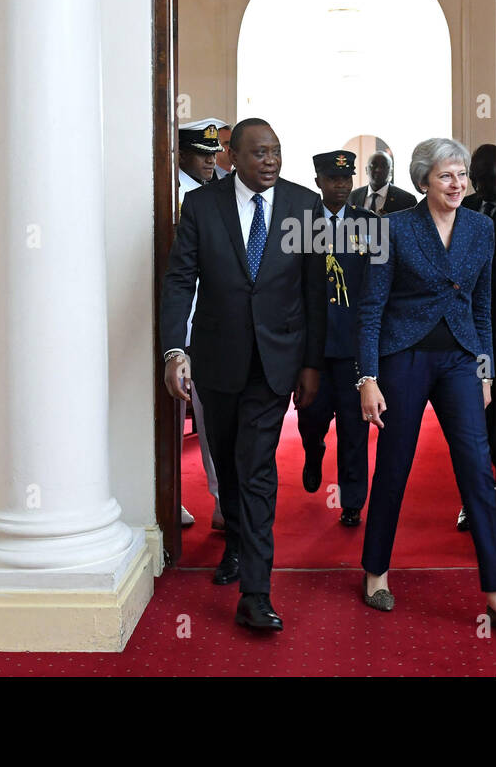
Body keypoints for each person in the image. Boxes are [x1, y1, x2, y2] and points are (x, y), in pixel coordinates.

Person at [356, 137, 496, 631]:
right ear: (423, 182)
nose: (457, 183)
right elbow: (371, 308)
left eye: (461, 174)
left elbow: (482, 308)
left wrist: (485, 371)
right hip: (404, 358)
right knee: (394, 465)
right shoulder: (393, 228)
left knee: (478, 472)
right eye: (446, 175)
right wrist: (367, 378)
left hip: (461, 359)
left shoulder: (481, 229)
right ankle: (376, 572)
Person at [159, 117, 326, 632]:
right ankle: (232, 544)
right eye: (258, 153)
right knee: (228, 464)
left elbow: (315, 292)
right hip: (216, 358)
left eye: (275, 151)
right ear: (232, 155)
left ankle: (256, 591)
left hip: (275, 364)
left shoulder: (304, 205)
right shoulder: (202, 206)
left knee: (256, 468)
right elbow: (181, 279)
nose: (270, 161)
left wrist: (312, 363)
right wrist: (174, 351)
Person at [296, 150, 376, 527]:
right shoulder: (299, 225)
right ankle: (313, 454)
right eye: (333, 179)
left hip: (353, 348)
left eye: (346, 179)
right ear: (319, 182)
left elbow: (381, 288)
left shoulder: (370, 224)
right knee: (310, 420)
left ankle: (352, 500)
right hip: (311, 348)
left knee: (353, 427)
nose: (341, 186)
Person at [176, 119, 227, 531]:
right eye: (202, 154)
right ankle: (165, 498)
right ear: (182, 154)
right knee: (169, 421)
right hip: (178, 321)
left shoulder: (217, 191)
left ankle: (223, 502)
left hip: (210, 323)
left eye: (213, 153)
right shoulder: (172, 193)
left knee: (211, 420)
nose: (210, 161)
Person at [457, 142, 496, 532]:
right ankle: (471, 500)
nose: (481, 186)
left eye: (489, 178)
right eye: (477, 178)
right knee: (475, 420)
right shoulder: (465, 209)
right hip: (468, 331)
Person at [350, 150, 415, 215]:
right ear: (366, 169)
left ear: (390, 171)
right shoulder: (352, 197)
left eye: (383, 166)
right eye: (373, 165)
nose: (378, 170)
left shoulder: (407, 200)